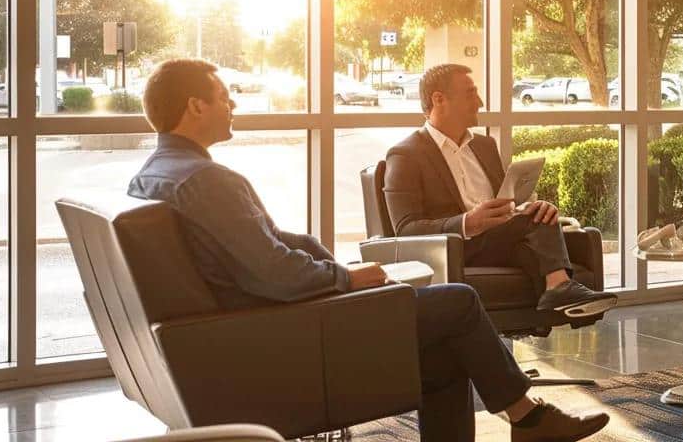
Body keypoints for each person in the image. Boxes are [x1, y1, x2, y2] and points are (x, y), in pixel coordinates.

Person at [126, 59, 608, 442]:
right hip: (288, 331)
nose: (232, 104)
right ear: (194, 106)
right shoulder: (207, 181)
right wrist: (345, 279)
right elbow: (274, 274)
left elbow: (267, 247)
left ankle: (528, 418)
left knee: (446, 354)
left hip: (255, 327)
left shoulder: (159, 175)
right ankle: (528, 419)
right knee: (458, 301)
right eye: (223, 97)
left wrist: (324, 259)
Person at [383, 64, 616, 317]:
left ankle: (559, 294)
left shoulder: (484, 146)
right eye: (470, 93)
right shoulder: (406, 155)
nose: (480, 102)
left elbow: (505, 203)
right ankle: (560, 287)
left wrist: (528, 208)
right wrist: (467, 223)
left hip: (497, 240)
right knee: (533, 232)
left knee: (537, 221)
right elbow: (405, 229)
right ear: (438, 99)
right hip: (454, 249)